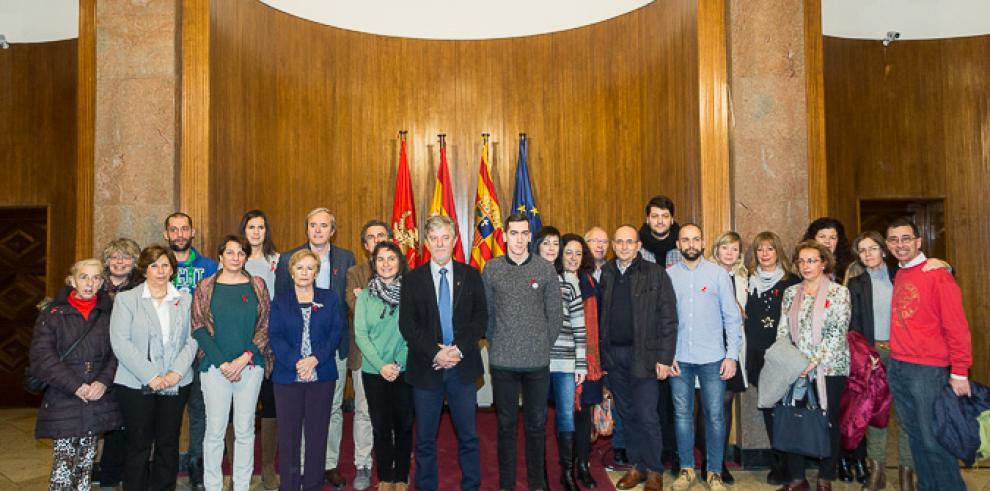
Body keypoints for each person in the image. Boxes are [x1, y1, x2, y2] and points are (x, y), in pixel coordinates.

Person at [399, 215, 488, 491]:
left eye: (445, 238)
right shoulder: (413, 279)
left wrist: (458, 349)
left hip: (462, 367)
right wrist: (435, 354)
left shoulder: (471, 274)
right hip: (427, 368)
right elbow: (407, 324)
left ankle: (471, 485)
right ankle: (427, 486)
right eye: (434, 238)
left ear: (454, 241)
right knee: (425, 439)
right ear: (426, 242)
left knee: (469, 436)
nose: (439, 243)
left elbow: (481, 319)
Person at [885, 218, 971, 491]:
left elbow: (957, 326)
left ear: (919, 241)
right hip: (899, 366)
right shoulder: (900, 273)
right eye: (894, 240)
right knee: (916, 438)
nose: (900, 245)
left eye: (906, 238)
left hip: (927, 371)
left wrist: (959, 371)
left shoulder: (938, 274)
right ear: (887, 245)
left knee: (935, 440)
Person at [274, 207, 357, 489]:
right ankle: (292, 476)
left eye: (324, 226)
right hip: (290, 367)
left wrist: (315, 359)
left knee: (326, 419)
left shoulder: (343, 264)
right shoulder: (286, 272)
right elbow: (278, 328)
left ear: (332, 230)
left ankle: (322, 472)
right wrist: (298, 361)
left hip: (326, 358)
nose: (318, 230)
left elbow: (339, 324)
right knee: (291, 428)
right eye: (313, 225)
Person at [484, 214, 563, 491]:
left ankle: (537, 484)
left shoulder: (545, 269)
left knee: (536, 426)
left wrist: (541, 344)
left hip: (537, 362)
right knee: (505, 426)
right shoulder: (492, 268)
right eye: (513, 233)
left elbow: (555, 316)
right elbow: (488, 316)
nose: (519, 239)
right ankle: (506, 484)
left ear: (531, 237)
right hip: (503, 362)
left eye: (524, 233)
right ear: (504, 236)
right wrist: (498, 345)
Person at [110, 245, 198, 491]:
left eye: (165, 265)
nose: (160, 271)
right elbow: (120, 342)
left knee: (168, 443)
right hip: (135, 385)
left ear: (172, 270)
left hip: (176, 383)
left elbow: (192, 340)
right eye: (154, 265)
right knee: (138, 444)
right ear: (144, 269)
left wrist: (174, 373)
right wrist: (151, 375)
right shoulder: (127, 300)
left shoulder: (185, 299)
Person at [30, 259, 121, 491]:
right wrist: (76, 386)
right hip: (65, 396)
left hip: (97, 397)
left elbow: (117, 352)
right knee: (64, 466)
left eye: (96, 277)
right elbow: (42, 357)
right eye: (83, 277)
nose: (90, 283)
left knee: (85, 465)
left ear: (102, 282)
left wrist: (102, 382)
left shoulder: (110, 313)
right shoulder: (52, 313)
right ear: (72, 280)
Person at [600, 225, 678, 491]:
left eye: (629, 242)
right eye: (619, 242)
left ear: (637, 246)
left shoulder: (655, 274)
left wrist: (665, 358)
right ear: (613, 244)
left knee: (647, 415)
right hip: (614, 357)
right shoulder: (606, 273)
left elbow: (669, 319)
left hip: (644, 356)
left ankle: (655, 470)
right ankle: (638, 467)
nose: (623, 246)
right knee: (627, 414)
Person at [190, 235, 271, 491]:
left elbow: (265, 325)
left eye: (241, 253)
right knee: (214, 430)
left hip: (250, 366)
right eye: (230, 252)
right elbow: (198, 326)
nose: (236, 257)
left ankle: (242, 486)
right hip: (215, 368)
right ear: (220, 256)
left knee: (245, 430)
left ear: (246, 257)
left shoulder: (257, 285)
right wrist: (224, 363)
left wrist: (244, 358)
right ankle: (213, 485)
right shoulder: (205, 286)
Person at [666, 225, 742, 491]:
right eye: (685, 239)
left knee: (715, 416)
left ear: (702, 241)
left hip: (712, 358)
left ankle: (714, 472)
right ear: (678, 243)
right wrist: (667, 356)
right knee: (682, 415)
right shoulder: (669, 275)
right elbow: (662, 321)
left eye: (695, 239)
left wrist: (731, 356)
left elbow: (732, 319)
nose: (690, 244)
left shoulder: (718, 274)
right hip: (679, 358)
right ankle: (686, 469)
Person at [774, 240, 852, 491]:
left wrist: (812, 362)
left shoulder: (839, 293)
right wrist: (793, 362)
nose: (806, 266)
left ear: (824, 263)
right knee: (795, 419)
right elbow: (782, 331)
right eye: (801, 261)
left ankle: (825, 477)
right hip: (795, 368)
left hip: (829, 368)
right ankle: (797, 478)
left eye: (812, 260)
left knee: (828, 420)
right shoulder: (790, 293)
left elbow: (837, 333)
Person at [269, 249, 344, 491]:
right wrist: (297, 362)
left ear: (316, 272)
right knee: (289, 436)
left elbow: (335, 332)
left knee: (317, 435)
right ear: (291, 272)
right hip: (287, 377)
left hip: (321, 376)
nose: (304, 272)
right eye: (299, 267)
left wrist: (314, 359)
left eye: (310, 268)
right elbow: (275, 336)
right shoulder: (280, 301)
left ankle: (313, 485)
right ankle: (289, 486)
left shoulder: (330, 298)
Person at [847, 230, 914, 490]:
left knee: (906, 415)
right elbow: (854, 328)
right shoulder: (857, 284)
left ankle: (907, 474)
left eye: (872, 248)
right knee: (877, 415)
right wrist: (867, 356)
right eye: (862, 250)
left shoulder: (903, 277)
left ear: (884, 250)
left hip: (905, 353)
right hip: (874, 355)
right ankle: (877, 471)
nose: (868, 254)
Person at [165, 212, 218, 491]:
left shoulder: (210, 266)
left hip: (199, 349)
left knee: (199, 410)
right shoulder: (159, 265)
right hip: (166, 352)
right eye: (174, 230)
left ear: (193, 232)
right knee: (167, 413)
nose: (179, 234)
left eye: (184, 229)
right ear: (166, 235)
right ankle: (165, 464)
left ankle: (197, 463)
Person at [355, 241, 413, 491]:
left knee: (404, 425)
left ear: (400, 263)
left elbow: (412, 333)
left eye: (391, 258)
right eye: (380, 259)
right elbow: (361, 335)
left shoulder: (411, 294)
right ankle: (385, 477)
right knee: (380, 426)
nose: (386, 264)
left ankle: (401, 476)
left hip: (403, 369)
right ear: (373, 263)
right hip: (374, 371)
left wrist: (397, 363)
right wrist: (381, 365)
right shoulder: (365, 296)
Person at [742, 231, 800, 485]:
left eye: (770, 249)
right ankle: (778, 462)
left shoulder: (791, 282)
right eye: (760, 250)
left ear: (779, 252)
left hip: (782, 354)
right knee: (769, 409)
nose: (765, 254)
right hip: (756, 354)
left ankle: (791, 464)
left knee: (786, 410)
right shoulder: (746, 281)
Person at [693, 231, 749, 485]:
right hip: (708, 348)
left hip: (733, 348)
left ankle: (719, 461)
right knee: (706, 406)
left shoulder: (745, 277)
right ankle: (706, 460)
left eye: (734, 249)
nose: (729, 253)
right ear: (716, 251)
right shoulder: (707, 273)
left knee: (725, 404)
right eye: (725, 248)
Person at [535, 226, 586, 491]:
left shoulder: (568, 284)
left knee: (566, 418)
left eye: (556, 244)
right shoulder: (529, 281)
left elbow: (579, 325)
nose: (552, 248)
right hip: (537, 365)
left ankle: (567, 475)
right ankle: (540, 476)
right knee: (538, 419)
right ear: (538, 247)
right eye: (547, 243)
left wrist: (581, 364)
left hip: (566, 363)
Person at [344, 219, 391, 490]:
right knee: (363, 412)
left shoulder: (403, 271)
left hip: (395, 356)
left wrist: (368, 299)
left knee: (395, 410)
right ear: (365, 245)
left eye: (381, 235)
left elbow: (404, 312)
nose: (376, 240)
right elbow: (356, 308)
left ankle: (393, 459)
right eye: (371, 237)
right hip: (364, 355)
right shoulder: (354, 273)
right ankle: (362, 464)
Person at [636, 196, 681, 473]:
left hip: (675, 333)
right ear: (647, 219)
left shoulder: (683, 246)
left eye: (665, 216)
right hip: (645, 339)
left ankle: (674, 450)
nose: (660, 221)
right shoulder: (638, 249)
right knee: (652, 400)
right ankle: (654, 450)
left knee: (676, 400)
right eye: (655, 216)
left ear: (672, 219)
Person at [239, 209, 281, 490]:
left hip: (273, 340)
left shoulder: (278, 261)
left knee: (271, 402)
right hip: (242, 341)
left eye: (261, 227)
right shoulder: (235, 261)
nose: (256, 232)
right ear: (244, 231)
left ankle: (267, 466)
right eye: (251, 227)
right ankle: (241, 467)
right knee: (240, 405)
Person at [95, 237, 141, 490]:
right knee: (98, 422)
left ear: (134, 262)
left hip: (128, 362)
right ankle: (99, 473)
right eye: (114, 257)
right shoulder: (95, 285)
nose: (120, 262)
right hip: (97, 361)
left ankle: (116, 476)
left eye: (126, 257)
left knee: (123, 423)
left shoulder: (140, 288)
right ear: (107, 261)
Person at [559, 234, 604, 489]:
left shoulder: (590, 281)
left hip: (590, 359)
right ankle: (566, 470)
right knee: (566, 415)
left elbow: (600, 319)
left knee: (584, 414)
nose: (573, 258)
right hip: (563, 359)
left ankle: (583, 466)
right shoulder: (554, 281)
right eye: (568, 253)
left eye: (578, 253)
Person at [585, 225, 629, 470]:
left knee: (618, 399)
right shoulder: (579, 272)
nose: (600, 246)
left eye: (604, 242)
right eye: (594, 241)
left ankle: (619, 446)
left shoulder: (616, 272)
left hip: (613, 348)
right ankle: (584, 447)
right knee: (588, 399)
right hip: (588, 347)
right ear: (586, 244)